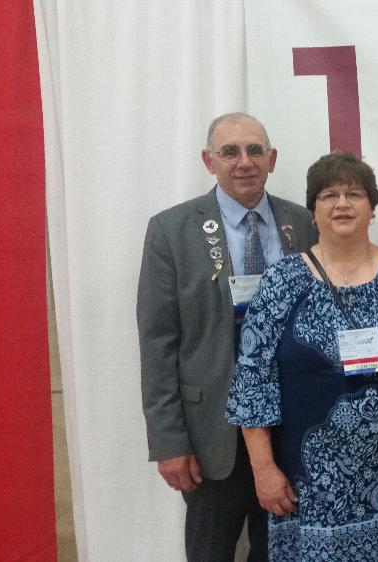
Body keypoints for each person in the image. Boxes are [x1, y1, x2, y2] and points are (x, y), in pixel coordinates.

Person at [226, 152, 378, 561]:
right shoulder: (283, 281)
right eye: (328, 195)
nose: (342, 203)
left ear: (372, 207)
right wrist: (263, 470)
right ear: (313, 211)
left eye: (355, 193)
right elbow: (252, 384)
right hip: (305, 489)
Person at [138, 112, 317, 561]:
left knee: (280, 554)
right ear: (208, 160)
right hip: (210, 435)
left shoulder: (303, 224)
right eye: (230, 151)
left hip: (289, 426)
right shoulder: (171, 231)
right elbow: (157, 343)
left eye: (255, 150)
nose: (244, 162)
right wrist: (169, 441)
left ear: (272, 159)